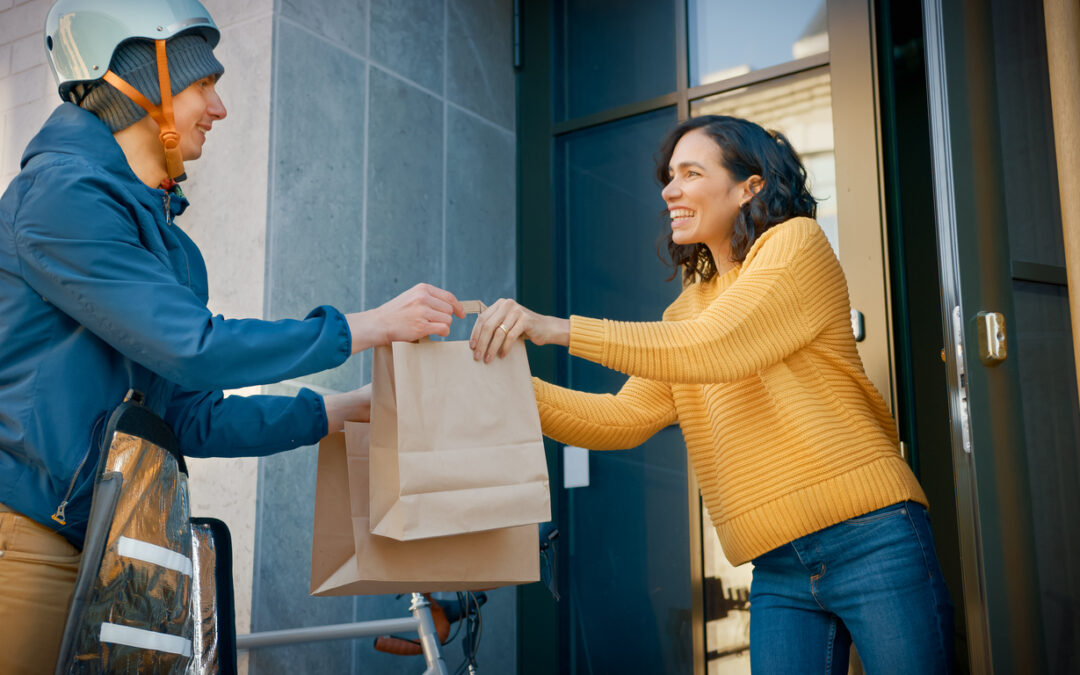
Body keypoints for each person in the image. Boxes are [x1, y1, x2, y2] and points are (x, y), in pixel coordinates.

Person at [0, 1, 464, 672]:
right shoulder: (57, 197)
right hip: (27, 537)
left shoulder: (173, 251)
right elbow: (196, 344)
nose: (219, 108)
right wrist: (367, 326)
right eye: (202, 85)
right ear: (141, 80)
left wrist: (342, 409)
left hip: (109, 552)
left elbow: (189, 416)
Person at [470, 115, 954, 673]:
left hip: (871, 538)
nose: (669, 190)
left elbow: (718, 344)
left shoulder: (798, 244)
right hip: (778, 564)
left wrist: (555, 328)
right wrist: (499, 386)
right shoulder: (687, 311)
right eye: (668, 176)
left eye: (690, 173)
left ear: (749, 187)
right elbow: (621, 417)